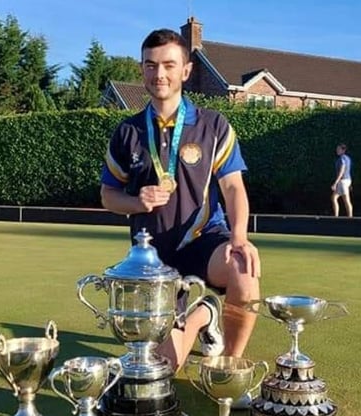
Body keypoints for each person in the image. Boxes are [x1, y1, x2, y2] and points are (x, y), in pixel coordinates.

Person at [99, 28, 261, 384]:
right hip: (154, 261)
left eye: (169, 65)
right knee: (164, 369)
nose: (160, 74)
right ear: (141, 70)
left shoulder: (214, 126)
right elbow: (108, 196)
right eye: (151, 65)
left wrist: (238, 237)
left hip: (205, 242)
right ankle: (206, 312)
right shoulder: (127, 133)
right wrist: (135, 200)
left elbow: (233, 187)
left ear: (186, 71)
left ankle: (229, 372)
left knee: (244, 270)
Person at [331, 143, 353, 217]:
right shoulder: (348, 158)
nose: (337, 150)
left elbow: (342, 170)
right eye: (337, 149)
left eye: (339, 149)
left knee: (346, 200)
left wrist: (335, 182)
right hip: (346, 181)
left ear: (343, 150)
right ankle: (336, 216)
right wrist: (349, 184)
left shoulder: (342, 158)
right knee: (334, 198)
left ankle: (350, 218)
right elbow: (348, 170)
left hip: (343, 181)